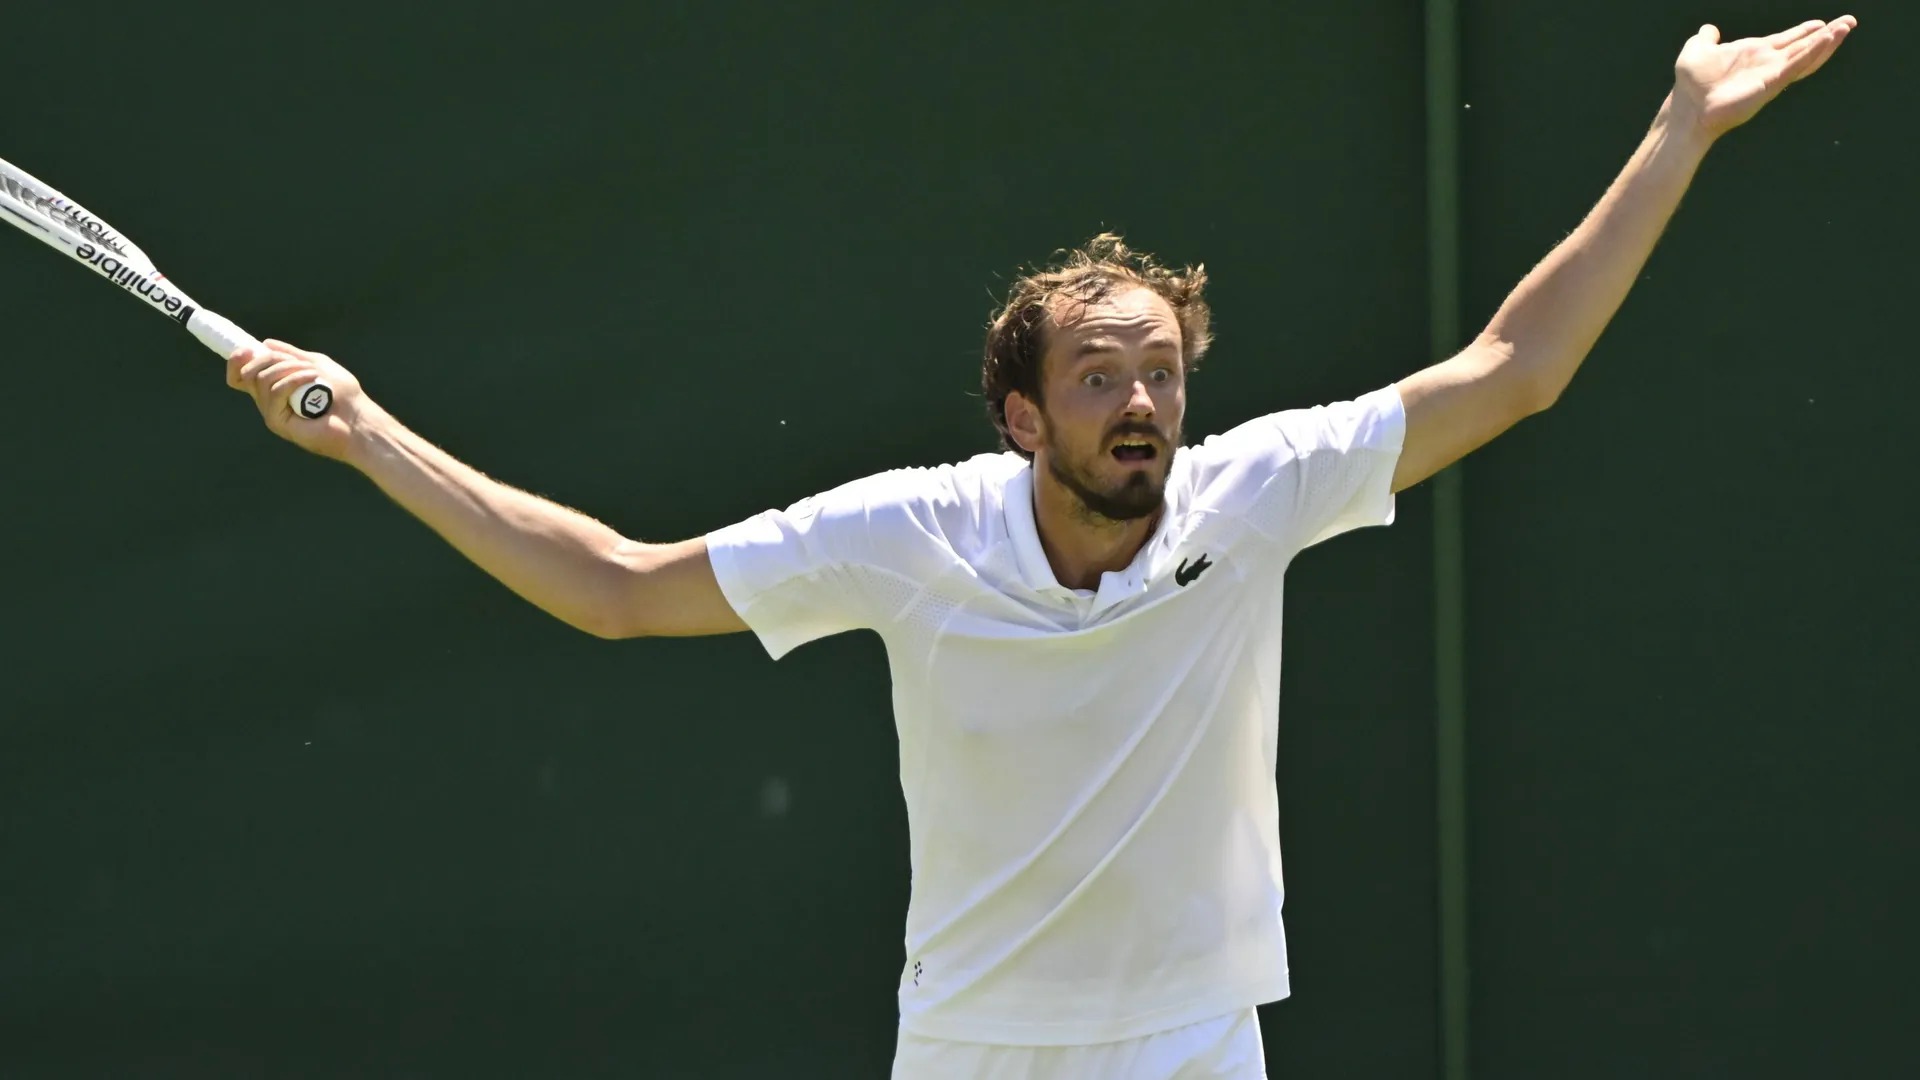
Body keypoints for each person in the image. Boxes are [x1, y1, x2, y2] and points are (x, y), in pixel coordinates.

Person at [227, 17, 1854, 1079]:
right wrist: (365, 431)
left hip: (1195, 1045)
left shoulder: (1256, 493)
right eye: (1099, 378)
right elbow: (616, 589)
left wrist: (1680, 128)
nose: (1142, 403)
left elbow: (1515, 371)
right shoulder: (907, 534)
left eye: (1162, 374)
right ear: (1022, 416)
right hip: (972, 1048)